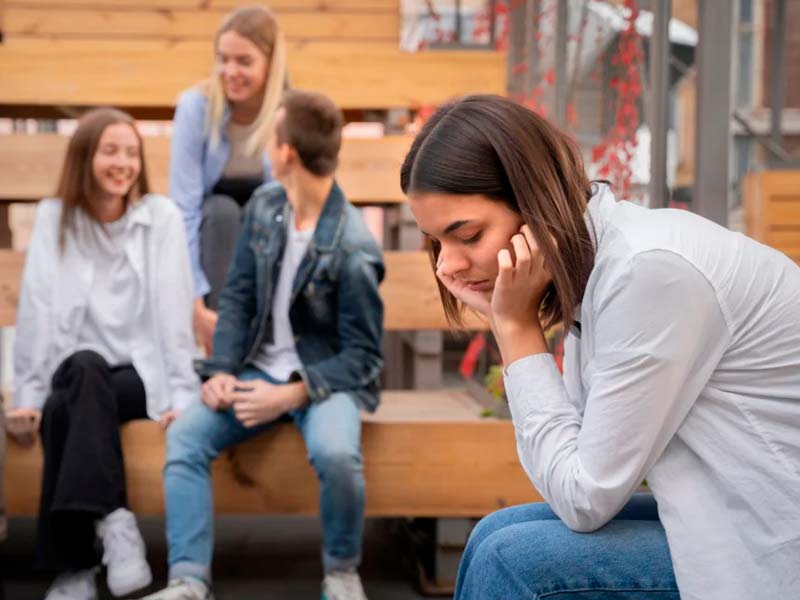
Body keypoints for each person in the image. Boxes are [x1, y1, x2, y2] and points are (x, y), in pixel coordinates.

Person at [400, 94, 800, 600]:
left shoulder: (648, 272)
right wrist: (513, 323)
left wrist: (516, 329)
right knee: (493, 535)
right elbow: (582, 462)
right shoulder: (604, 265)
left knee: (512, 562)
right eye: (436, 242)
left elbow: (583, 497)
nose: (447, 266)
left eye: (467, 235)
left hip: (770, 540)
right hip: (722, 502)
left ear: (534, 202)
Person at [141, 89, 384, 600]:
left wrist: (295, 392)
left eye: (271, 137)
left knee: (338, 453)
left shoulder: (354, 244)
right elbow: (239, 297)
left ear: (286, 152)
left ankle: (341, 572)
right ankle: (188, 580)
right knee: (185, 437)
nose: (265, 146)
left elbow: (364, 358)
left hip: (321, 381)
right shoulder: (266, 207)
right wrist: (222, 369)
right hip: (254, 371)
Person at [5, 107, 200, 600]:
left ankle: (73, 571)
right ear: (84, 158)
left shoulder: (161, 218)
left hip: (141, 377)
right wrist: (25, 393)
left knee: (67, 403)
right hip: (76, 373)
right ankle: (114, 519)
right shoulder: (56, 219)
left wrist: (182, 393)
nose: (123, 163)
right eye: (110, 151)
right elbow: (37, 307)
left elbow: (176, 312)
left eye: (131, 152)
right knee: (74, 381)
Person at [169, 5, 288, 353]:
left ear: (270, 63)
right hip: (212, 226)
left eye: (243, 62)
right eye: (223, 59)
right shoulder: (195, 106)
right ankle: (222, 342)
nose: (229, 71)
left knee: (263, 209)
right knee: (221, 211)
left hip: (264, 225)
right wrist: (194, 302)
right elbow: (184, 208)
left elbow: (292, 206)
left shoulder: (287, 112)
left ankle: (266, 335)